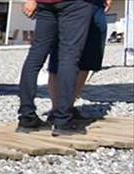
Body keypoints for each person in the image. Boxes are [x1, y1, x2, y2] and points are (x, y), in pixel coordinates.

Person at [16, 0, 93, 135]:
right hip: (76, 4)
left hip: (46, 3)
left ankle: (26, 117)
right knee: (69, 56)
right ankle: (63, 120)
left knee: (35, 56)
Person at [47, 0, 110, 120]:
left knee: (89, 57)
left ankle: (68, 106)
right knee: (59, 56)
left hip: (96, 5)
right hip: (69, 5)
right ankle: (57, 109)